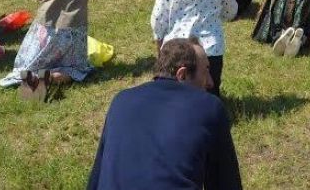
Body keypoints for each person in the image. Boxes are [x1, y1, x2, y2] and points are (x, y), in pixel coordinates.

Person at [87, 38, 241, 190]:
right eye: (206, 70)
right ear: (182, 75)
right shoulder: (210, 107)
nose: (210, 82)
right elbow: (225, 183)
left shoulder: (121, 100)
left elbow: (97, 176)